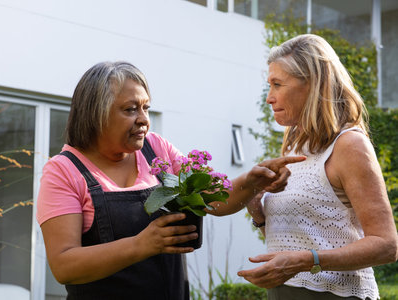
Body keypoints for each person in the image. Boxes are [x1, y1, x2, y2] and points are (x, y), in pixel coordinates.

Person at [36, 61, 305, 300]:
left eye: (146, 108)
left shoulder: (156, 150)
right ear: (95, 113)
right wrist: (140, 245)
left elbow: (214, 200)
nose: (144, 120)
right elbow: (64, 265)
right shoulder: (64, 171)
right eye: (130, 110)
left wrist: (251, 181)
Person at [238, 34, 398, 300]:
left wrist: (308, 261)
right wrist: (258, 211)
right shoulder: (293, 144)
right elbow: (296, 240)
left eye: (278, 84)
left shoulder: (349, 145)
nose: (269, 98)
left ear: (313, 85)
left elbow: (387, 246)